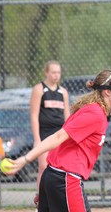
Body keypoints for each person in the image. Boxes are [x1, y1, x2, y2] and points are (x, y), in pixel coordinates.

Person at [4, 70, 111, 212]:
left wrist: (49, 189)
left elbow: (64, 143)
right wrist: (25, 159)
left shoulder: (92, 110)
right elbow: (58, 137)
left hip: (57, 177)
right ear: (107, 91)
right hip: (65, 178)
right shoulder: (95, 113)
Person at [30, 60, 70, 206]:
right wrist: (37, 139)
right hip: (45, 133)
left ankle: (59, 201)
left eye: (58, 72)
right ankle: (41, 201)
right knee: (43, 167)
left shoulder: (63, 92)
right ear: (46, 72)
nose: (56, 75)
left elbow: (67, 117)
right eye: (53, 72)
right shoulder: (39, 89)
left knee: (60, 169)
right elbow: (34, 116)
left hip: (59, 134)